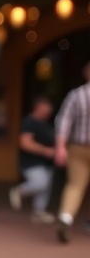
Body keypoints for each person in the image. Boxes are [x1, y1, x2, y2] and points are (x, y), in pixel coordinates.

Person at [54, 60, 90, 243]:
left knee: (75, 185)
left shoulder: (76, 95)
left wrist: (61, 146)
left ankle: (66, 218)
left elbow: (64, 121)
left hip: (78, 147)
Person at [8, 96, 56, 223]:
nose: (49, 110)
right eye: (46, 107)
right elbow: (25, 143)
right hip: (31, 162)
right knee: (40, 182)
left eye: (50, 107)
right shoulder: (29, 122)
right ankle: (19, 191)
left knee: (45, 188)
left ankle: (38, 213)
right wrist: (45, 150)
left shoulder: (46, 124)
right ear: (37, 107)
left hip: (47, 162)